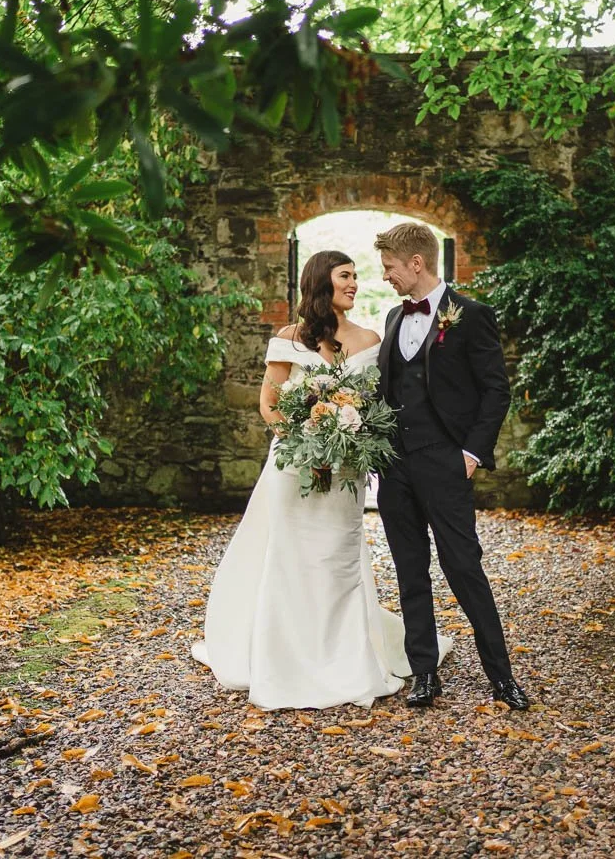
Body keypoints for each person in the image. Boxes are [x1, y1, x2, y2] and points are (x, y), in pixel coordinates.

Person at [191, 250, 452, 710]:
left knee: (338, 559)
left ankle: (346, 657)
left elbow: (376, 408)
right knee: (292, 559)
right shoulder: (288, 340)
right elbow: (269, 404)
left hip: (346, 473)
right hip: (294, 468)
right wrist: (305, 439)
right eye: (345, 276)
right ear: (320, 282)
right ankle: (286, 658)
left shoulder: (372, 340)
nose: (354, 283)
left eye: (355, 276)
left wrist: (347, 438)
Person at [373, 222, 530, 710]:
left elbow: (495, 390)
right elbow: (388, 390)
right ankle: (424, 673)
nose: (386, 278)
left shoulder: (472, 315)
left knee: (463, 567)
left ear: (415, 264)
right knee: (409, 570)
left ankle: (501, 676)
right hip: (396, 468)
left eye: (390, 268)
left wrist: (470, 455)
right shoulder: (393, 320)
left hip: (445, 462)